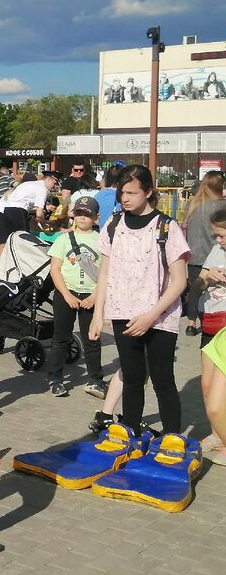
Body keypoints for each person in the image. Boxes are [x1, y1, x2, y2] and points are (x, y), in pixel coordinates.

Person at [90, 164, 190, 436]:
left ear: (148, 192)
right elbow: (105, 272)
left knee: (162, 380)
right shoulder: (113, 225)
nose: (125, 198)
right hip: (124, 312)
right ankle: (130, 433)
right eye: (123, 192)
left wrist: (150, 316)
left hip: (159, 316)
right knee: (132, 379)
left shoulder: (166, 227)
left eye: (132, 193)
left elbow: (179, 281)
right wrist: (99, 314)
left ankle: (172, 438)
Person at [45, 196, 105, 398]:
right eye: (79, 213)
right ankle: (55, 377)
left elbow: (107, 272)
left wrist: (95, 297)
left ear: (96, 217)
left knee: (92, 340)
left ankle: (96, 379)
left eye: (87, 214)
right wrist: (67, 295)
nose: (82, 217)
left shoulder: (102, 241)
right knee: (61, 338)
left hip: (91, 295)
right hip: (66, 294)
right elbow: (55, 270)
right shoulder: (63, 240)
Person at [193, 208, 226, 464]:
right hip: (210, 322)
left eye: (222, 235)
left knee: (220, 391)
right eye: (216, 236)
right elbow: (198, 282)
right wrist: (207, 278)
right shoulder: (218, 251)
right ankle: (216, 432)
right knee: (206, 385)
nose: (218, 241)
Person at [183, 170, 224, 334]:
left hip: (194, 255)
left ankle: (191, 324)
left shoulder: (192, 204)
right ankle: (210, 320)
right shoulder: (222, 205)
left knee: (195, 290)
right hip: (215, 254)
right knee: (215, 291)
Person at [0, 171, 60, 245]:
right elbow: (39, 214)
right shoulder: (42, 188)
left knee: (9, 242)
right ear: (49, 179)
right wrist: (44, 226)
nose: (54, 186)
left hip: (7, 210)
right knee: (24, 241)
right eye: (54, 183)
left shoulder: (28, 184)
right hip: (18, 210)